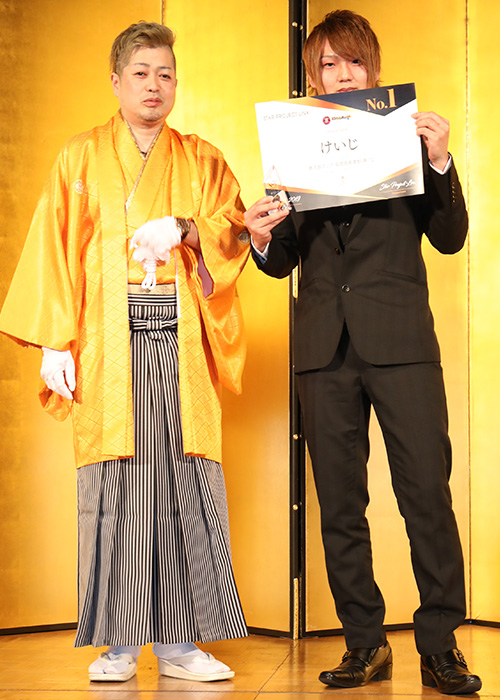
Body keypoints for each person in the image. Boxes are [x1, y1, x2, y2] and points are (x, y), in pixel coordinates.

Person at [0, 21, 250, 683]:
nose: (153, 85)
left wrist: (187, 228)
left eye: (165, 73)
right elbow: (53, 249)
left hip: (179, 342)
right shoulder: (79, 157)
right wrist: (53, 342)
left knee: (181, 483)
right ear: (116, 81)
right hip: (106, 344)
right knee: (115, 487)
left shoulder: (202, 160)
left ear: (176, 83)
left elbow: (236, 231)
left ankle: (180, 644)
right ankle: (117, 643)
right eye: (141, 73)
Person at [245, 9, 481, 695]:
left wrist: (440, 161)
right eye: (329, 64)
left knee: (426, 494)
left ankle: (440, 646)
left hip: (401, 343)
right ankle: (364, 644)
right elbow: (283, 258)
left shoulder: (409, 143)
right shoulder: (294, 152)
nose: (343, 74)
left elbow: (450, 237)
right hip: (324, 349)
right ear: (314, 78)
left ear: (373, 70)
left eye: (353, 62)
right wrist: (261, 236)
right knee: (339, 504)